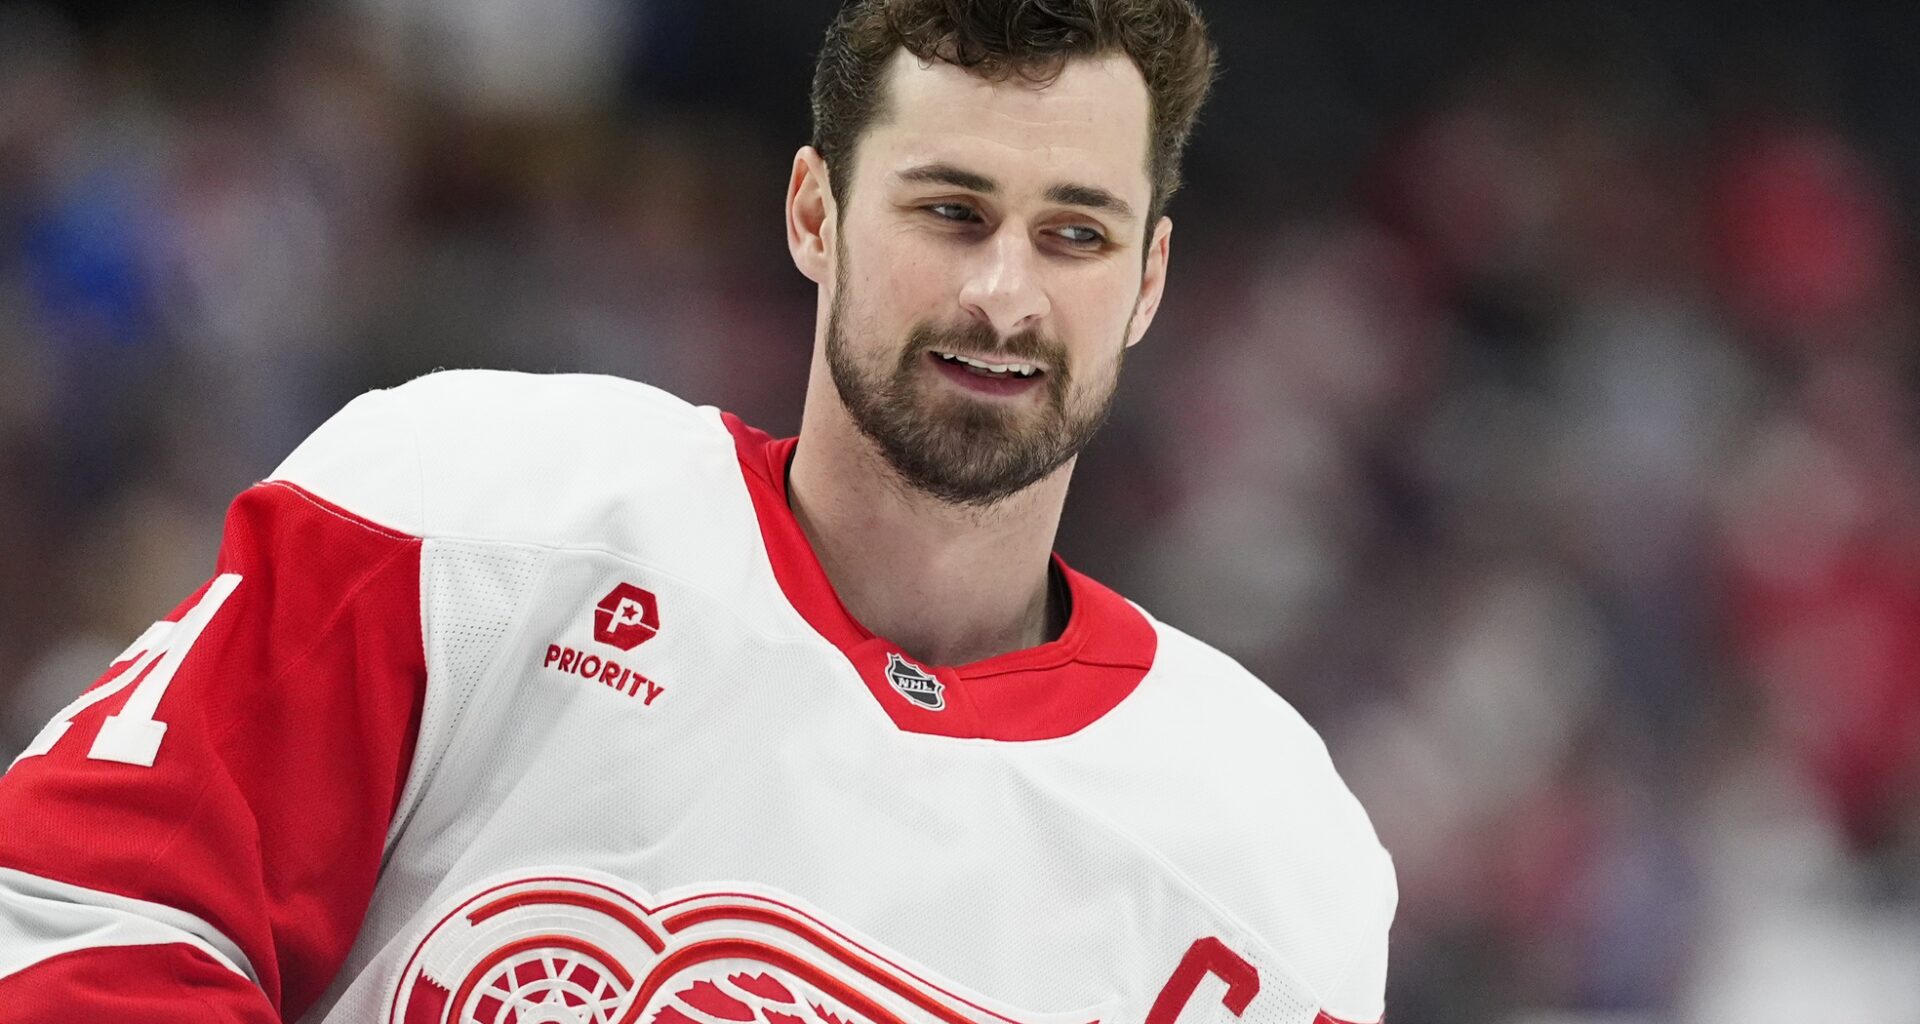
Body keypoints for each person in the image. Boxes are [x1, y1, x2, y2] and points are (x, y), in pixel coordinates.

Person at [0, 1, 1396, 1021]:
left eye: (1075, 235)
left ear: (1148, 282)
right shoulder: (465, 514)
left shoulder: (1267, 860)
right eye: (950, 212)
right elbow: (84, 914)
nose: (1005, 296)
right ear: (814, 214)